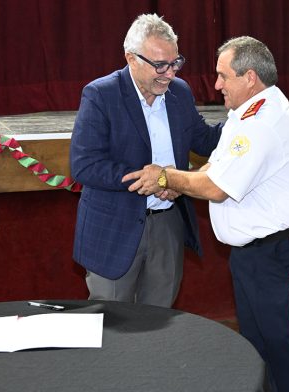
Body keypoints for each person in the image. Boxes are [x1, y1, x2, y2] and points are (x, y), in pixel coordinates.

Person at [124, 36, 289, 392]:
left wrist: (167, 177)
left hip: (277, 252)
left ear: (249, 77)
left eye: (222, 76)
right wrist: (180, 181)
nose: (216, 85)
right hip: (257, 254)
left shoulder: (260, 121)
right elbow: (217, 166)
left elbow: (216, 186)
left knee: (282, 345)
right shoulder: (247, 112)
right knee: (258, 345)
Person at [69, 14, 222, 308]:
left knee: (159, 323)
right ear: (131, 58)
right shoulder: (101, 94)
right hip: (115, 226)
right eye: (160, 65)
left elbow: (203, 140)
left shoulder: (180, 92)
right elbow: (84, 164)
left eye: (175, 63)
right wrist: (149, 181)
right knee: (111, 323)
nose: (169, 74)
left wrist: (245, 116)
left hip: (168, 226)